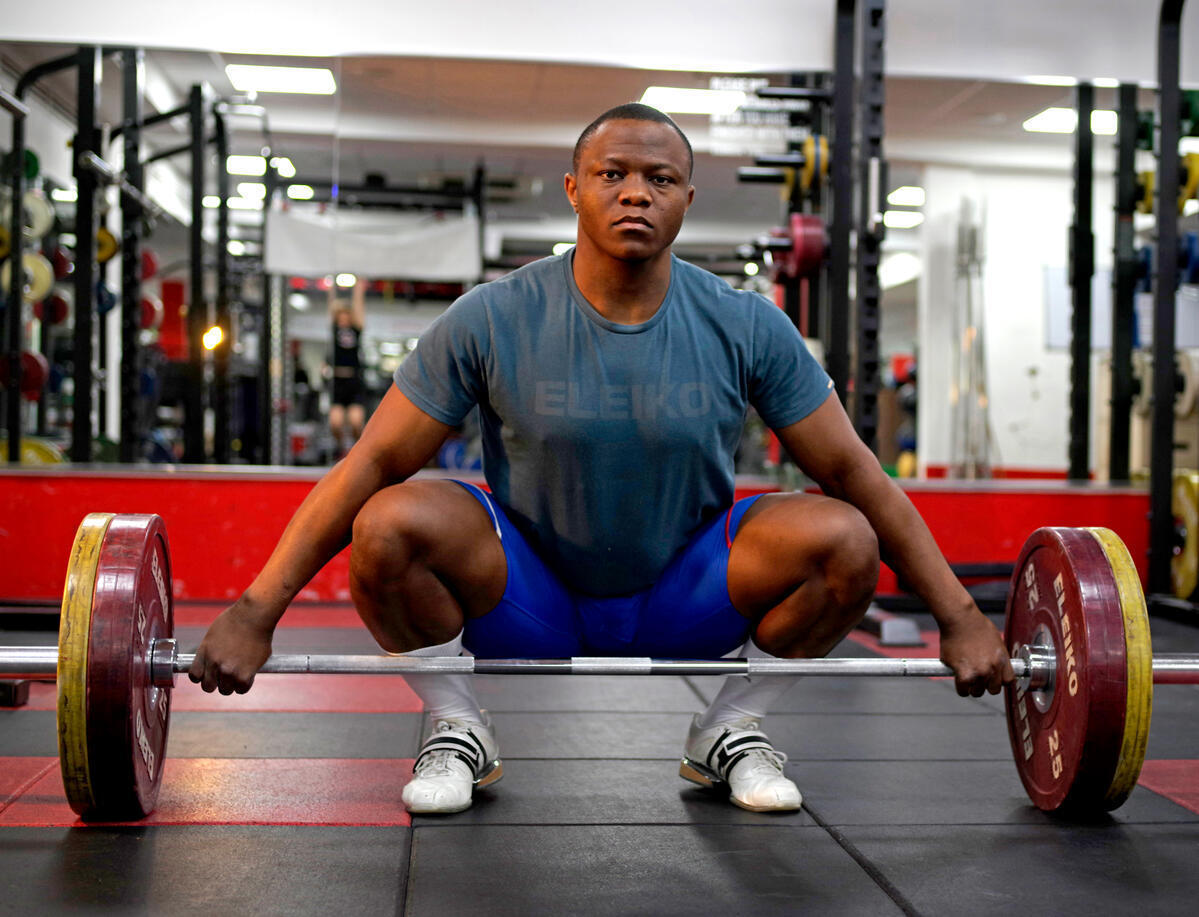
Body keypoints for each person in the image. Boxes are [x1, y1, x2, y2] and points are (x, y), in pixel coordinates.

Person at [190, 103, 1013, 816]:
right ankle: (456, 725)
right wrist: (258, 607)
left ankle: (730, 726)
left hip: (686, 591)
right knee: (389, 520)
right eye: (611, 173)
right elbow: (368, 463)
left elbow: (858, 475)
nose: (634, 192)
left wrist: (961, 614)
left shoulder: (747, 324)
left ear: (687, 199)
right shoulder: (492, 316)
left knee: (843, 536)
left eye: (658, 179)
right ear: (573, 188)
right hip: (528, 592)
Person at [327, 276, 368, 457]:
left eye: (346, 316)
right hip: (337, 380)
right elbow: (331, 307)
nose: (343, 319)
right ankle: (341, 447)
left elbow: (358, 307)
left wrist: (358, 290)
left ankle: (357, 450)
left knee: (356, 422)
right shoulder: (334, 330)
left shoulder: (356, 329)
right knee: (335, 422)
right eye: (340, 316)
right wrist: (331, 287)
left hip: (353, 379)